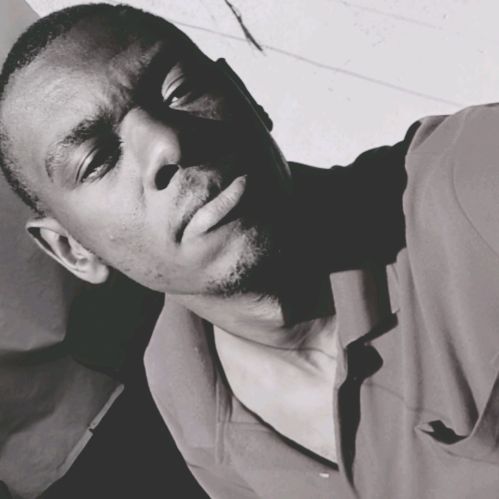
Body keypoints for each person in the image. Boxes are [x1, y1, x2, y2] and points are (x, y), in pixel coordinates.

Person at [1, 3, 498, 498]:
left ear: (245, 95)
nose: (167, 144)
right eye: (96, 159)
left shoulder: (469, 184)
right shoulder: (186, 389)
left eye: (179, 90)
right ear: (72, 250)